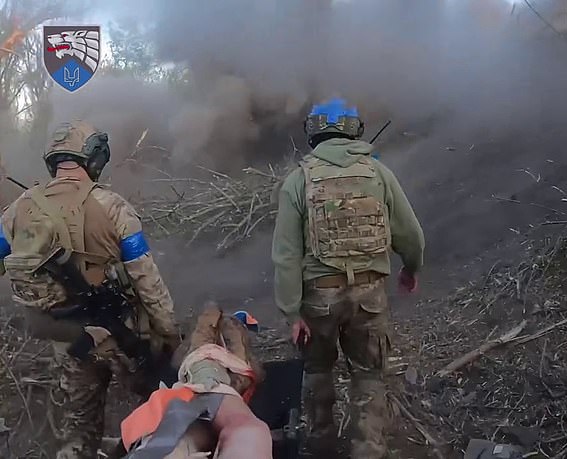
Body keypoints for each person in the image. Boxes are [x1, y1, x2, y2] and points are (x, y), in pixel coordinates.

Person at [0, 120, 180, 459]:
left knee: (77, 435)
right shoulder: (113, 207)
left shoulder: (19, 210)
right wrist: (169, 335)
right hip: (122, 337)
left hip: (66, 340)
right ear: (95, 159)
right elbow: (147, 280)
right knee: (165, 415)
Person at [271, 98, 425, 458]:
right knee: (369, 375)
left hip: (318, 300)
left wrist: (292, 313)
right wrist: (410, 268)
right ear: (355, 130)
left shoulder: (298, 181)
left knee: (318, 369)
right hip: (369, 294)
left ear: (313, 132)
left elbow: (286, 256)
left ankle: (321, 443)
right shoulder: (378, 174)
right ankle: (367, 450)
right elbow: (412, 236)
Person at [119, 304, 272, 459]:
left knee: (241, 428)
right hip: (210, 391)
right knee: (247, 428)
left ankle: (213, 323)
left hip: (203, 391)